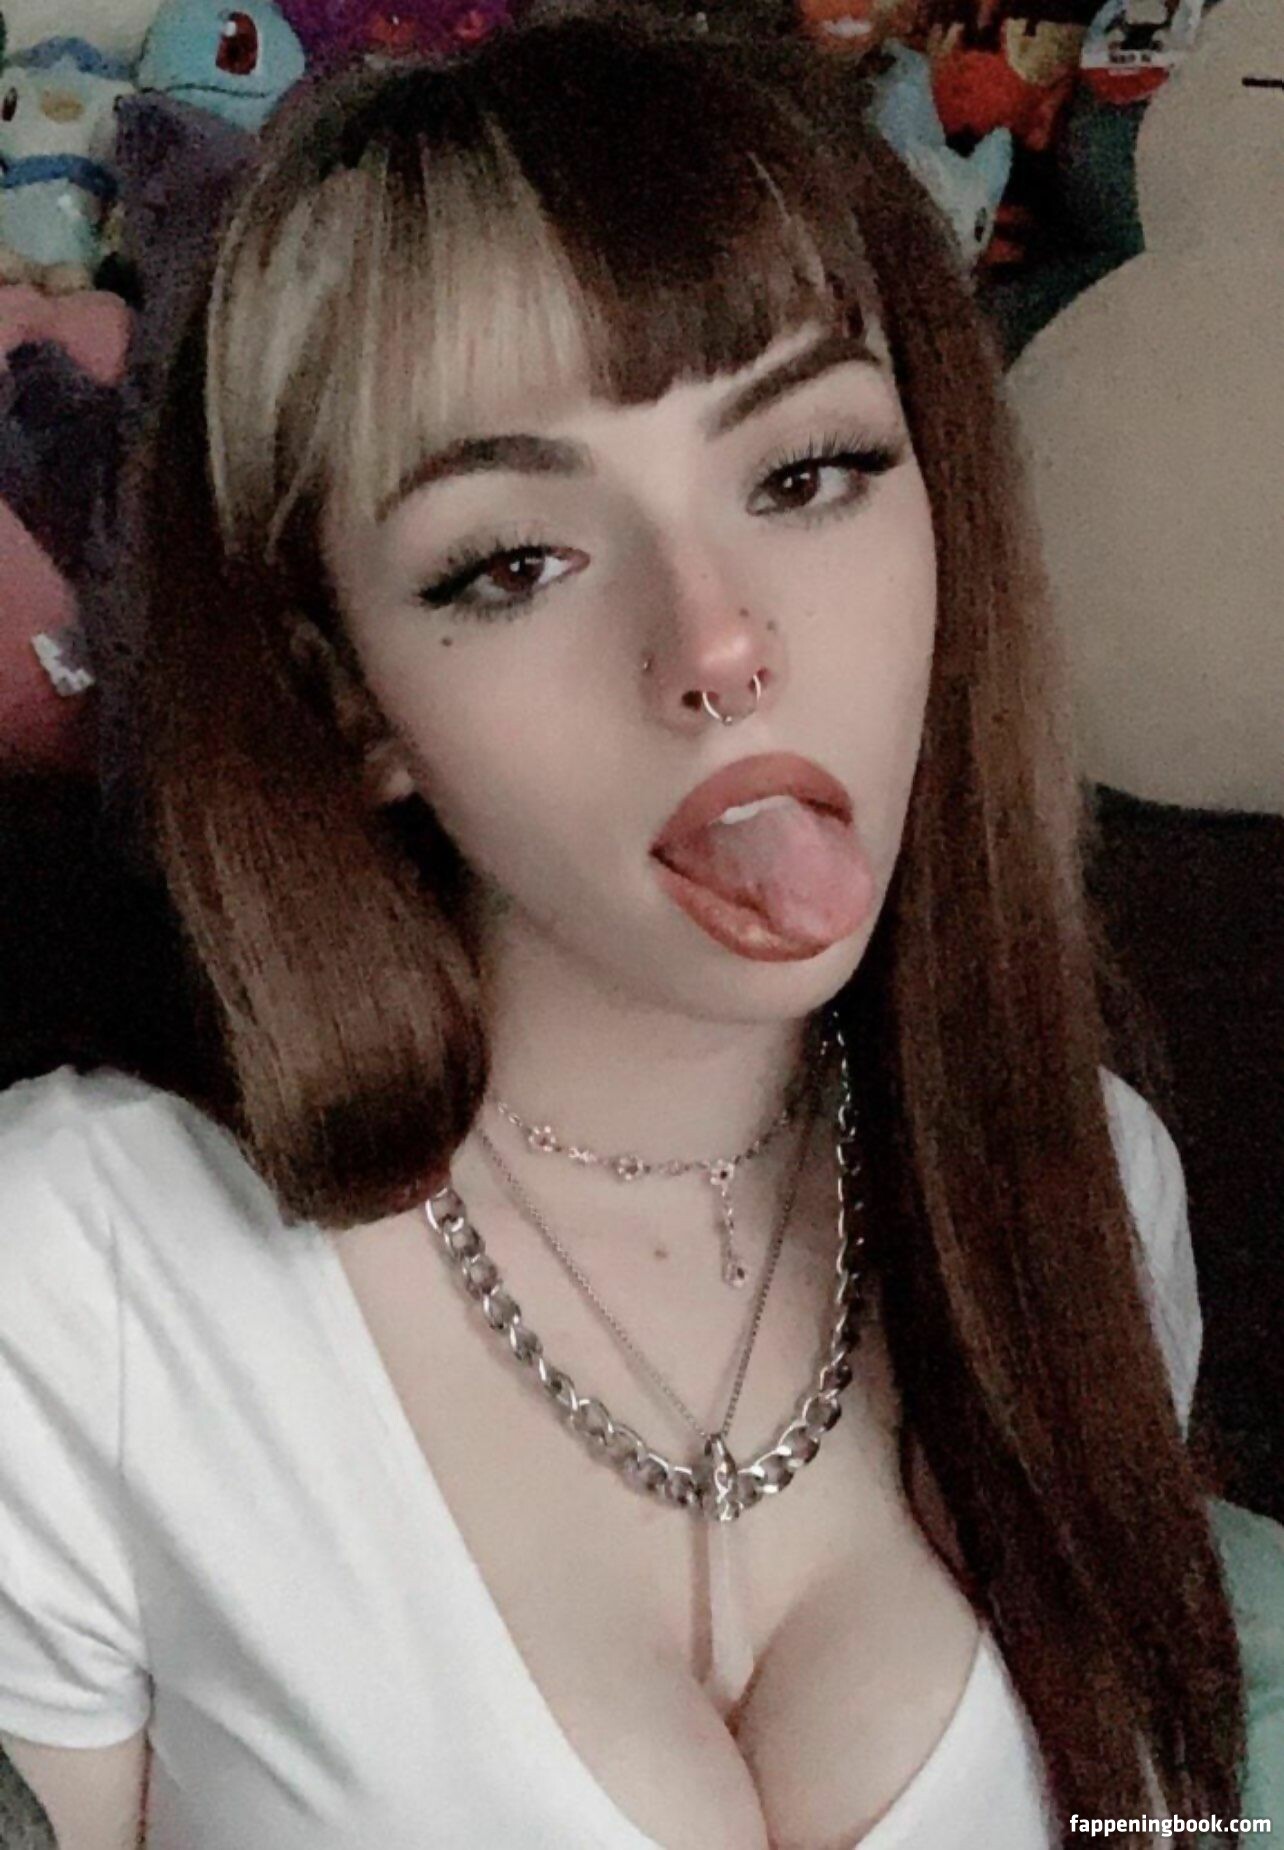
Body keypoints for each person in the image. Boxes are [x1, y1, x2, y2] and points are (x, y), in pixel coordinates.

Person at [0, 6, 1253, 1846]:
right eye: (514, 560)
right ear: (348, 696)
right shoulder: (78, 1279)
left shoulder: (1092, 1180)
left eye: (809, 472)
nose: (719, 641)